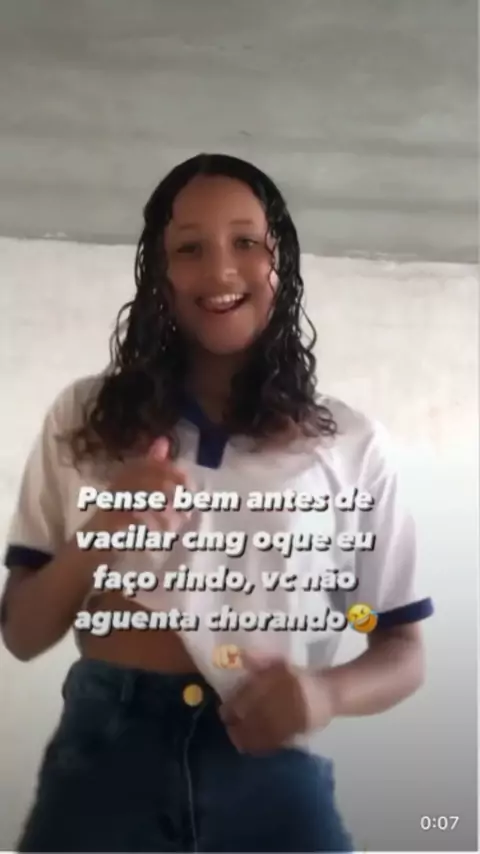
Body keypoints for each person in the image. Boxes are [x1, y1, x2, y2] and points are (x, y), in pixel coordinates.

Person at [1, 153, 434, 853]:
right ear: (158, 271)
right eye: (190, 248)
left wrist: (326, 693)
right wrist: (104, 530)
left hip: (268, 765)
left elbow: (403, 648)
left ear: (280, 261)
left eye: (246, 242)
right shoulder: (85, 415)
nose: (222, 270)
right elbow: (22, 634)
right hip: (106, 760)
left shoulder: (350, 442)